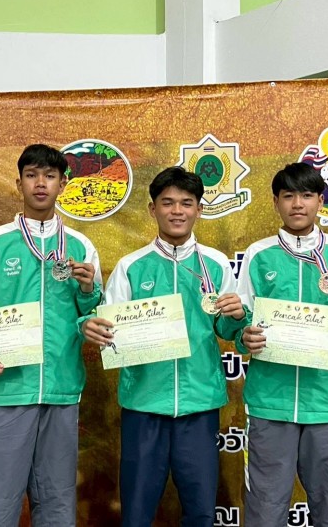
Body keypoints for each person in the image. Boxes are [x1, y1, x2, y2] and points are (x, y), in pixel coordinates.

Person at [0, 143, 102, 527]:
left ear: (63, 184)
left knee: (58, 503)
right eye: (32, 175)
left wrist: (88, 291)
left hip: (61, 391)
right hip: (7, 389)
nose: (40, 183)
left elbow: (92, 317)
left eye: (49, 176)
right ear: (19, 184)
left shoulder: (81, 246)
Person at [82, 166, 248, 527]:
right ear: (152, 209)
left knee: (201, 510)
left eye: (186, 203)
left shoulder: (216, 264)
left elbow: (226, 329)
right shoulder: (130, 266)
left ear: (199, 209)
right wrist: (96, 328)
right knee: (137, 510)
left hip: (200, 403)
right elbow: (110, 330)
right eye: (167, 202)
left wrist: (236, 316)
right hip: (143, 403)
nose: (177, 211)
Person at [236, 162, 328, 526]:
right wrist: (244, 336)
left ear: (321, 201)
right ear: (275, 202)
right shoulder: (258, 254)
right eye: (288, 196)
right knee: (265, 510)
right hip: (270, 402)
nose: (297, 204)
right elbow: (240, 321)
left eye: (306, 195)